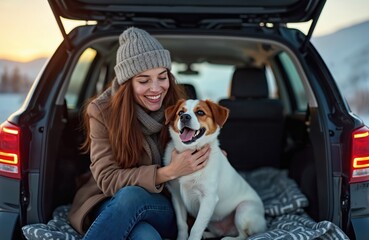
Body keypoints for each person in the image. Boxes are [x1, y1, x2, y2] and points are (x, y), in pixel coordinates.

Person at [68, 27, 211, 239]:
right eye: (144, 81)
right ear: (127, 83)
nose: (156, 89)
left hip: (166, 203)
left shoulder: (178, 108)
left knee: (134, 202)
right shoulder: (102, 111)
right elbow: (107, 179)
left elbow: (202, 142)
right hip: (112, 200)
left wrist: (210, 158)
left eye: (162, 77)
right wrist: (168, 172)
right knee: (144, 234)